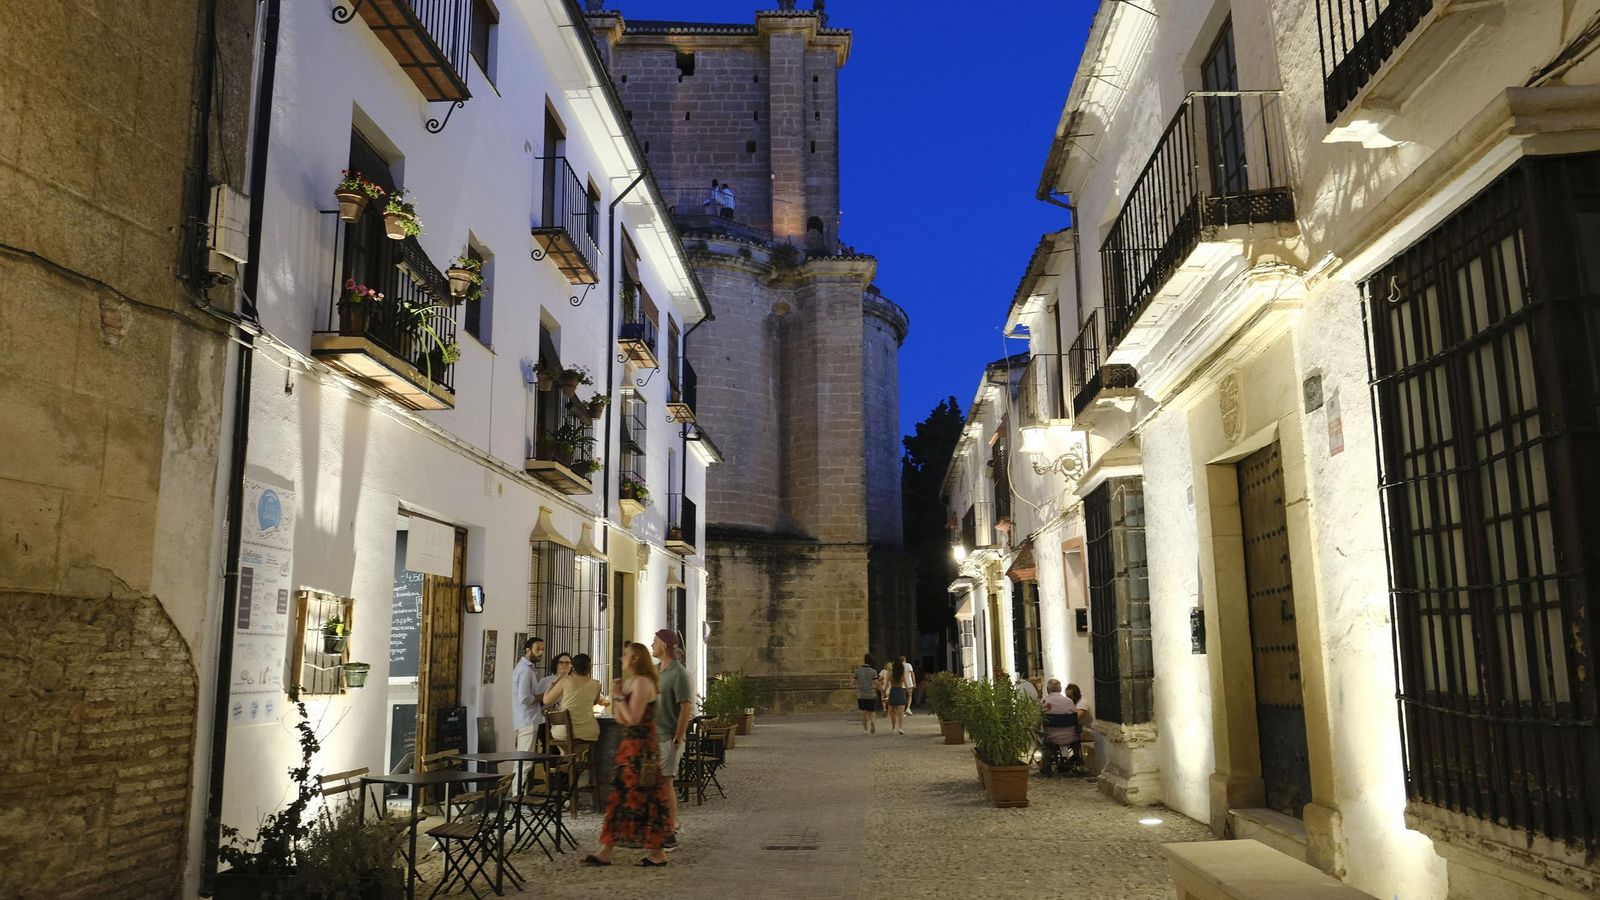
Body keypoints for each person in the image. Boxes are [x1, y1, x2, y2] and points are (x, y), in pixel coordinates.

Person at [582, 642, 674, 868]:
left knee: (641, 796)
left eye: (626, 655)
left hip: (641, 751)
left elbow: (633, 718)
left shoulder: (642, 682)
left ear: (635, 659)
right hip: (630, 747)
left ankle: (657, 852)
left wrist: (617, 696)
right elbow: (622, 718)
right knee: (623, 795)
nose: (621, 658)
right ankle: (607, 850)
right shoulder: (633, 682)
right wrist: (619, 698)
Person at [652, 629, 693, 853]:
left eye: (655, 641)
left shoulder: (679, 673)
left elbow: (685, 706)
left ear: (665, 645)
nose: (652, 644)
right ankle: (663, 826)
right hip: (656, 735)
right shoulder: (657, 670)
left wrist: (677, 737)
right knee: (659, 783)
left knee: (666, 782)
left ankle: (671, 829)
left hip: (668, 736)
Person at [544, 652, 601, 743]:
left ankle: (568, 752)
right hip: (589, 731)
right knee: (579, 748)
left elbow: (546, 700)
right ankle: (579, 753)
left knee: (561, 740)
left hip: (565, 731)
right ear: (589, 667)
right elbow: (595, 702)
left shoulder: (566, 681)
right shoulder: (596, 684)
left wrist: (553, 684)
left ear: (573, 668)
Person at [512, 636, 546, 754]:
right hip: (527, 720)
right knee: (524, 758)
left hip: (528, 719)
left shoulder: (527, 668)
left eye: (542, 649)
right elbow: (524, 698)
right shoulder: (525, 670)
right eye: (537, 649)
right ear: (528, 650)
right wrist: (542, 696)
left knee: (525, 757)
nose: (541, 652)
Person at [881, 657, 910, 734]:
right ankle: (900, 728)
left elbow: (886, 685)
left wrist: (884, 692)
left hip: (893, 691)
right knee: (901, 712)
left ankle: (893, 727)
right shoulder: (901, 674)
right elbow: (906, 684)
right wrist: (908, 691)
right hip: (900, 691)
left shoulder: (890, 674)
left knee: (892, 712)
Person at [853, 654, 879, 735]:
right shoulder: (873, 671)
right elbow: (876, 683)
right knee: (872, 711)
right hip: (870, 694)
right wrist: (882, 690)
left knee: (863, 712)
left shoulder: (858, 671)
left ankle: (865, 729)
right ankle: (872, 721)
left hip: (861, 694)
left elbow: (853, 682)